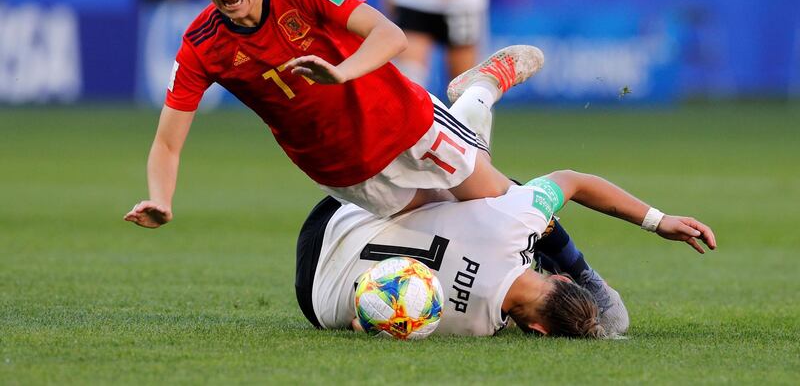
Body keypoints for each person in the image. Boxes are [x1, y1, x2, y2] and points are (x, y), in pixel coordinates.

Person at [124, 0, 542, 230]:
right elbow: (167, 144)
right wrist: (161, 199)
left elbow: (390, 35)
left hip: (404, 121)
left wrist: (341, 72)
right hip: (344, 170)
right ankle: (477, 95)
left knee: (497, 204)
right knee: (455, 223)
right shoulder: (201, 45)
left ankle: (581, 278)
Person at [296, 171, 716, 338]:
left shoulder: (514, 224)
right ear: (537, 330)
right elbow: (359, 323)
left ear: (560, 279)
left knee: (505, 189)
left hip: (337, 218)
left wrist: (658, 221)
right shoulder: (478, 328)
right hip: (315, 300)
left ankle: (478, 97)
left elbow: (573, 180)